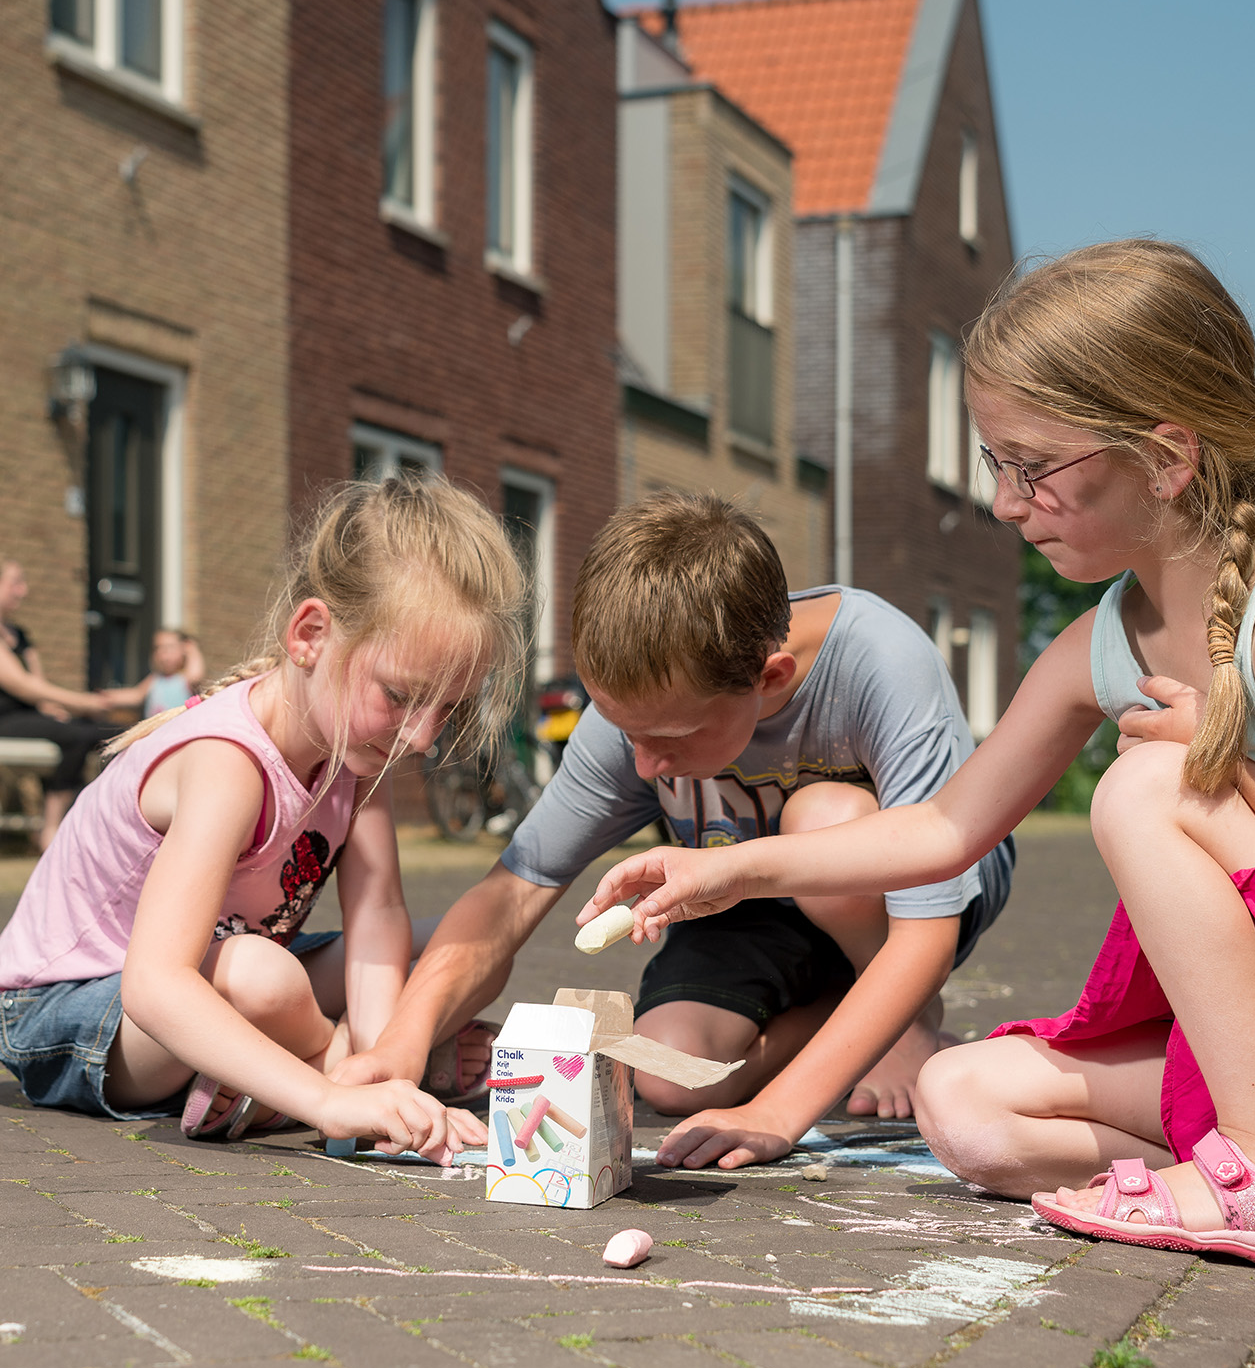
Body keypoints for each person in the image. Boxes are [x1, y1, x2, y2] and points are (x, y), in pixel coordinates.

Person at [585, 240, 1255, 1277]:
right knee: (959, 1102)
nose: (1003, 500)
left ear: (1167, 458)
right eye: (997, 463)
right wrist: (726, 867)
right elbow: (947, 826)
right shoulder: (1095, 647)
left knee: (1144, 786)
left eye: (1033, 466)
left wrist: (1228, 774)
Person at [331, 492, 1014, 1156]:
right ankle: (861, 1017)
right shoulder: (639, 715)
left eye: (670, 738)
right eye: (624, 731)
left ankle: (904, 1026)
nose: (646, 764)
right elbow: (514, 891)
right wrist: (403, 1042)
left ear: (770, 679)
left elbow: (928, 921)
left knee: (821, 815)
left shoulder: (879, 662)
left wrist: (777, 1111)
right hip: (746, 905)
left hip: (906, 901)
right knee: (666, 1071)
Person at [0, 476, 525, 1159]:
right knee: (261, 977)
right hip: (66, 1012)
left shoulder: (356, 753)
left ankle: (301, 1070)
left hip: (236, 966)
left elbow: (378, 914)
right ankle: (317, 1061)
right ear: (311, 635)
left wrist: (388, 1064)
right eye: (404, 696)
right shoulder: (226, 763)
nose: (423, 739)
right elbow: (156, 984)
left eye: (448, 709)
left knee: (459, 938)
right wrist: (336, 1096)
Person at [0, 558, 123, 850]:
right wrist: (84, 703)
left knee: (110, 730)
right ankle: (52, 828)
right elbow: (22, 686)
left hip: (33, 719)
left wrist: (55, 710)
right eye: (16, 583)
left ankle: (102, 821)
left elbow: (39, 687)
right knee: (77, 734)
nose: (23, 591)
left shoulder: (19, 634)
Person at [109, 627, 209, 718]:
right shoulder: (155, 679)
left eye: (169, 647)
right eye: (158, 648)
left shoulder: (185, 678)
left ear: (184, 650)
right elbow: (136, 695)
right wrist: (108, 697)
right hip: (156, 733)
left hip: (178, 732)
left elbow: (196, 675)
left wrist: (192, 650)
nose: (162, 653)